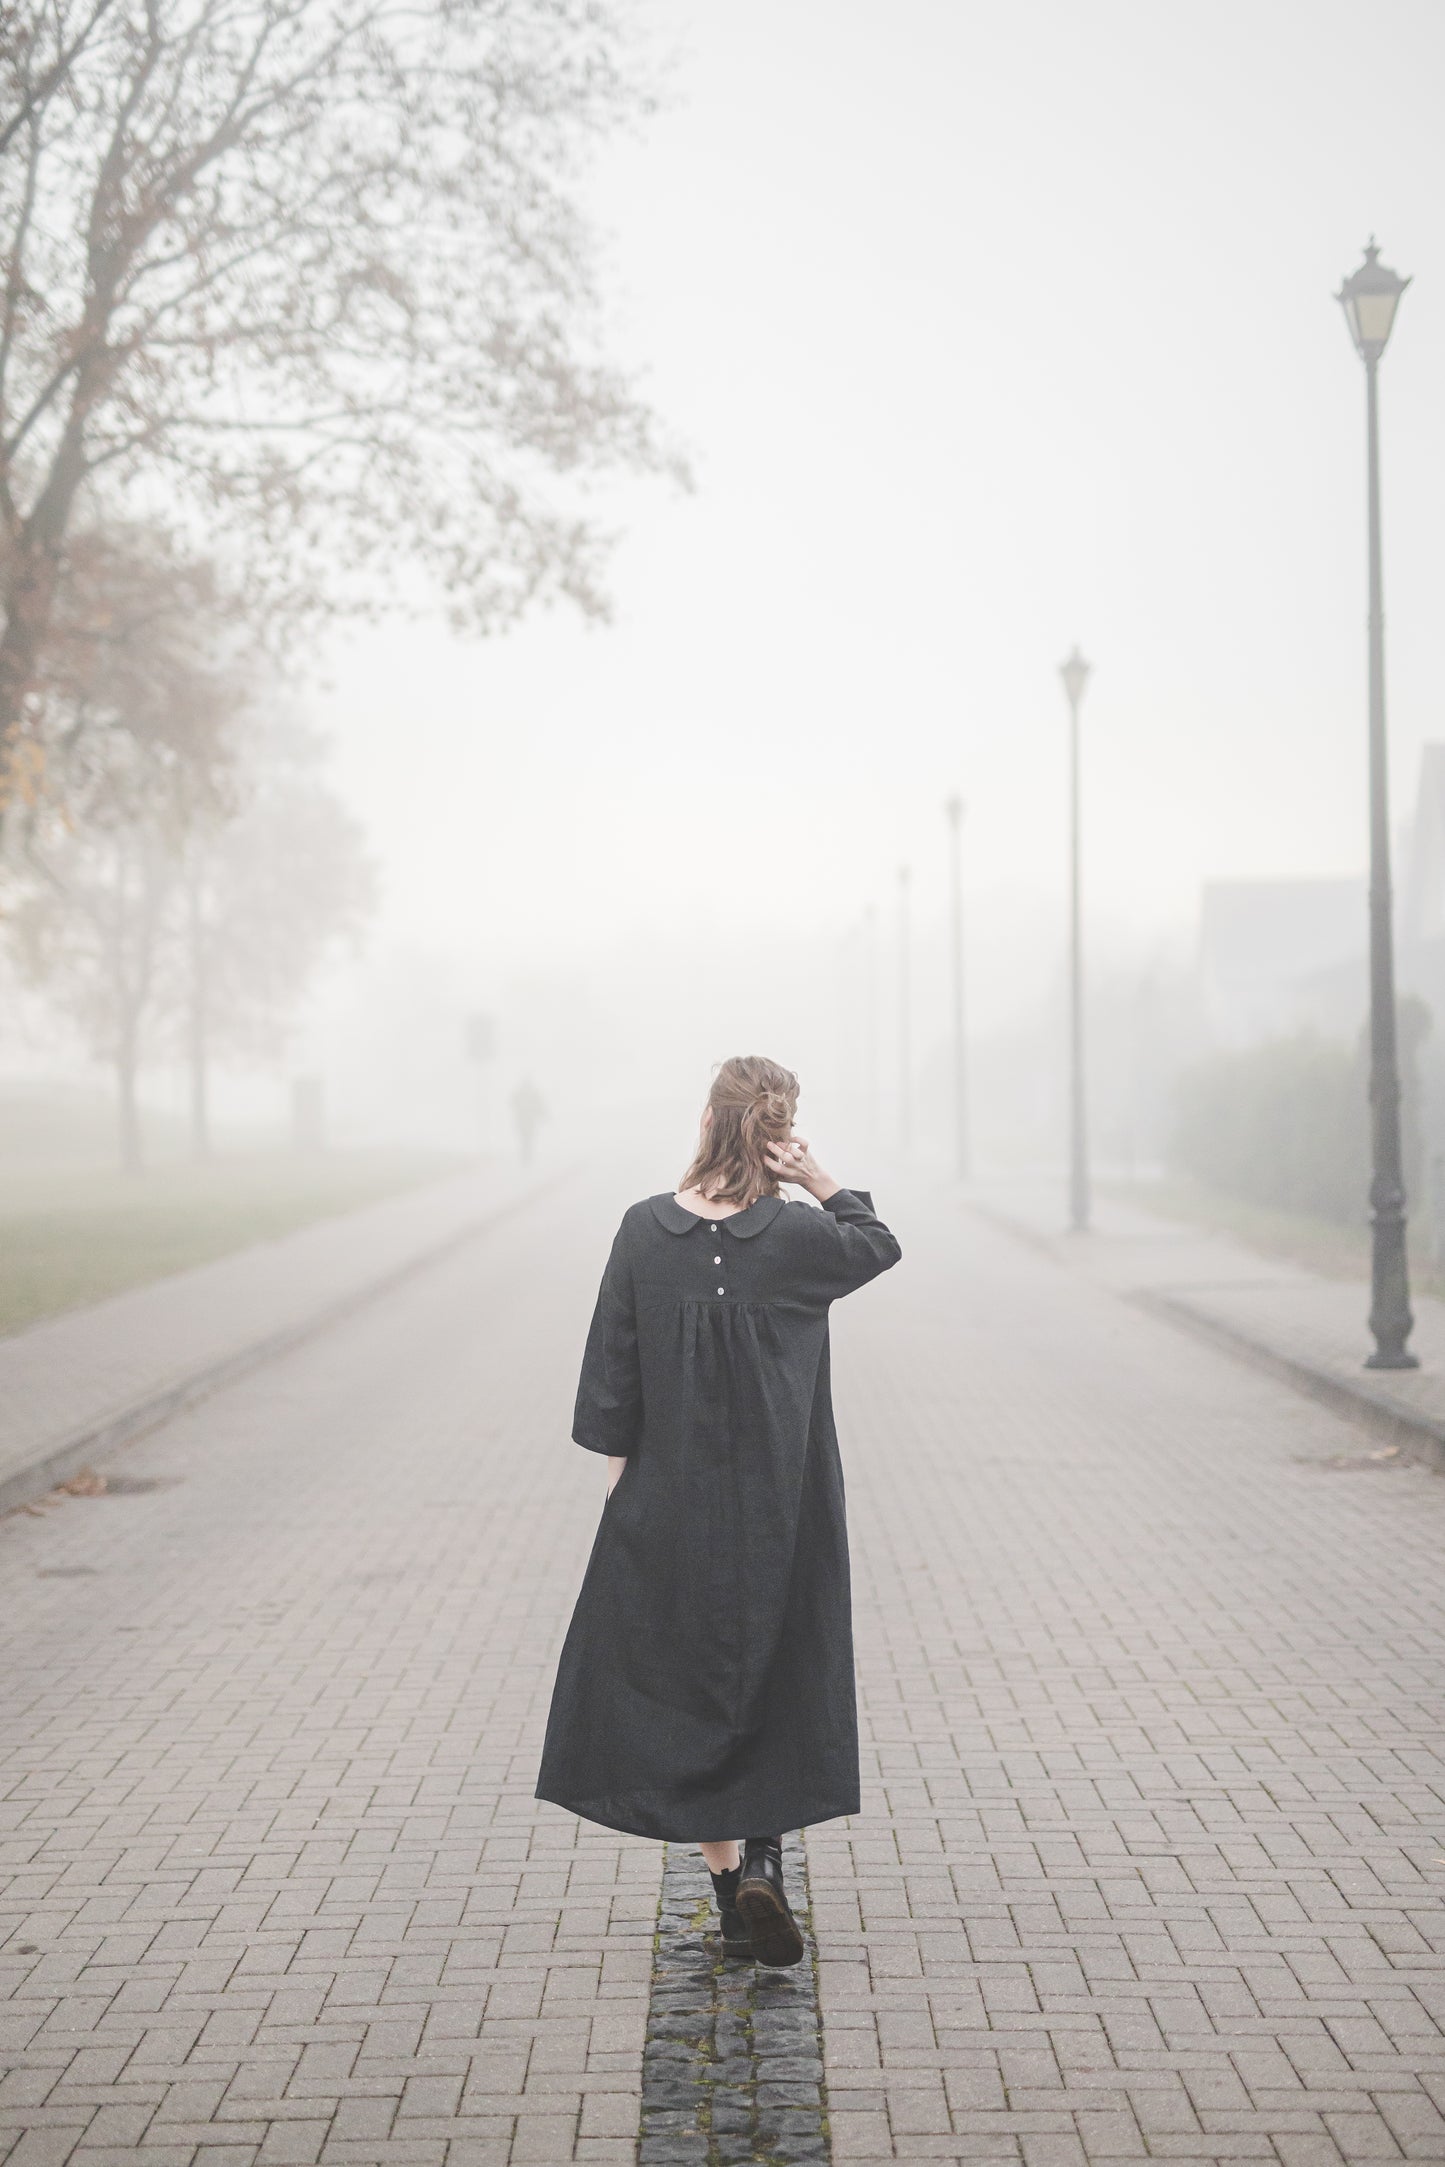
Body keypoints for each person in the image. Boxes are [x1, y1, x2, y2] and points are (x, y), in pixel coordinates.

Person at [534, 1054, 901, 1966]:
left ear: (706, 1120)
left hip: (669, 1499)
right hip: (784, 1500)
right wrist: (821, 1181)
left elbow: (610, 1371)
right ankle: (766, 1862)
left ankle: (730, 1895)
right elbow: (876, 1243)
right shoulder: (795, 1237)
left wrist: (624, 1486)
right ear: (775, 1134)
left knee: (687, 1687)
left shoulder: (640, 1231)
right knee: (777, 1670)